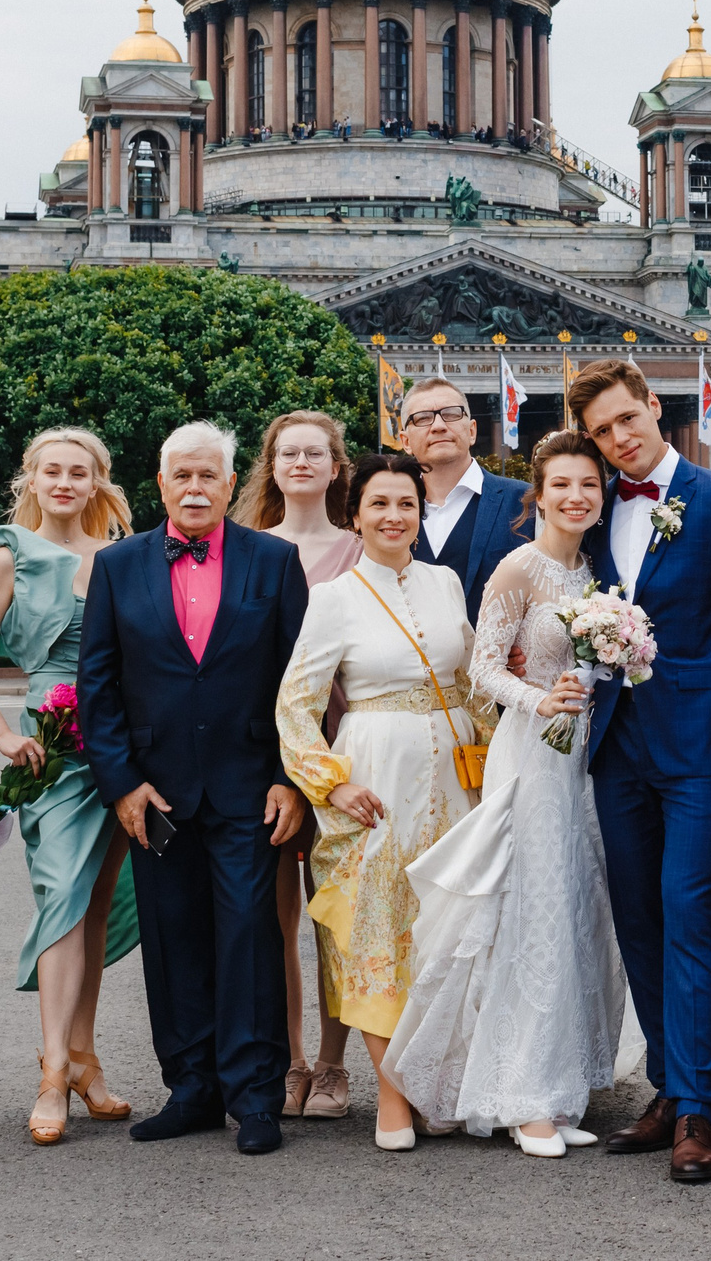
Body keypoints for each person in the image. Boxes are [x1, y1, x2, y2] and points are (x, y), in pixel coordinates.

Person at [383, 431, 627, 1156]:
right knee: (530, 918)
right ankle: (522, 1099)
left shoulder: (595, 571)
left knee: (576, 918)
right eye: (563, 485)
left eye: (590, 484)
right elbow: (483, 668)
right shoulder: (518, 568)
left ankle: (558, 1085)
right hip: (531, 756)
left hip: (585, 760)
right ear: (538, 494)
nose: (577, 496)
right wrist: (536, 698)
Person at [80, 421, 312, 1157]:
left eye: (209, 475)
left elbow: (299, 683)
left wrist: (291, 779)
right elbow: (98, 685)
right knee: (172, 936)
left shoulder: (274, 561)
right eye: (181, 475)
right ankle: (192, 1090)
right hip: (156, 792)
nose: (194, 488)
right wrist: (123, 783)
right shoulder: (117, 566)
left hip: (251, 787)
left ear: (230, 483)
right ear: (160, 483)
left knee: (249, 936)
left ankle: (256, 1097)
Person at [569, 357, 711, 1184]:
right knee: (640, 920)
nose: (619, 438)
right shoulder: (592, 509)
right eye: (602, 431)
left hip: (699, 752)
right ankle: (668, 1082)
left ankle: (697, 1109)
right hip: (616, 747)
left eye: (628, 418)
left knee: (692, 914)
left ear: (655, 406)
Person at [277, 451, 483, 1149]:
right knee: (374, 932)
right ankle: (391, 1092)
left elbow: (472, 682)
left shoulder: (446, 581)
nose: (394, 516)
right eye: (380, 504)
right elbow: (296, 705)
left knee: (442, 930)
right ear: (355, 515)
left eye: (407, 504)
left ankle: (431, 1082)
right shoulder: (334, 596)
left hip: (455, 781)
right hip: (375, 778)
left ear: (421, 514)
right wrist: (330, 783)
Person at [0, 427, 140, 1144]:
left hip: (122, 741)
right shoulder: (10, 556)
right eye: (52, 470)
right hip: (52, 744)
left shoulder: (123, 556)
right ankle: (53, 1070)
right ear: (31, 479)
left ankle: (84, 1059)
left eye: (78, 472)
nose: (65, 482)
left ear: (97, 482)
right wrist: (4, 734)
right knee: (62, 895)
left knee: (96, 903)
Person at [233, 411, 364, 1123]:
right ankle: (289, 1060)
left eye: (316, 453)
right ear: (273, 466)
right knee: (275, 916)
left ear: (336, 466)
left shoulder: (360, 546)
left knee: (337, 914)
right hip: (266, 755)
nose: (303, 463)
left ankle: (335, 1064)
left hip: (346, 748)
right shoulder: (246, 548)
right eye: (289, 453)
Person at [397, 377, 533, 622]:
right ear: (405, 441)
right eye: (423, 418)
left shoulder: (526, 503)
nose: (438, 426)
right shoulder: (388, 513)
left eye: (451, 414)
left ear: (471, 431)